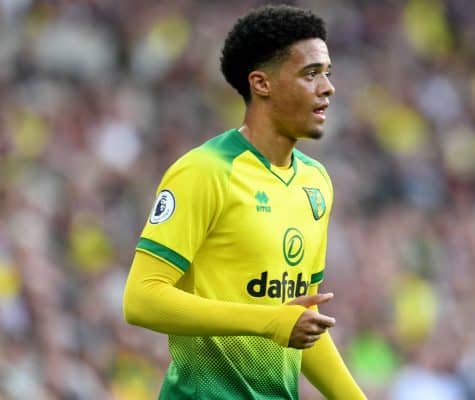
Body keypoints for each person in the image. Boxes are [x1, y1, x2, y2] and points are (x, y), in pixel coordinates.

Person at [122, 4, 366, 399]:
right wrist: (270, 320)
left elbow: (300, 322)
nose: (328, 87)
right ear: (261, 84)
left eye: (327, 74)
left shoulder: (315, 182)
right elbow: (141, 298)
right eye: (310, 74)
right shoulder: (205, 171)